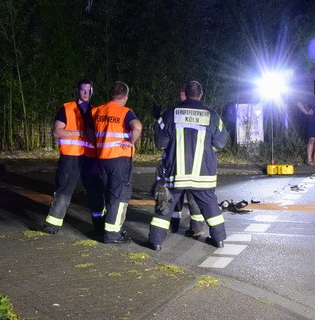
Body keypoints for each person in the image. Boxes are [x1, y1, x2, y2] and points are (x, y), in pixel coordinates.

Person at [147, 80, 228, 251]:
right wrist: (207, 151)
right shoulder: (212, 115)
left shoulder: (170, 113)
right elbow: (220, 143)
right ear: (201, 94)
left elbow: (161, 142)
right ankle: (219, 239)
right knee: (210, 206)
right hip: (203, 173)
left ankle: (156, 242)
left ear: (185, 93)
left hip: (176, 172)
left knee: (165, 205)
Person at [43, 79, 105, 234]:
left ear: (92, 92)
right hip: (71, 157)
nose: (86, 93)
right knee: (64, 189)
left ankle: (100, 226)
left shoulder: (96, 111)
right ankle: (52, 224)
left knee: (96, 191)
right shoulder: (67, 108)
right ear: (77, 91)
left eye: (89, 90)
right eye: (83, 90)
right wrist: (79, 133)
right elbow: (57, 131)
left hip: (90, 158)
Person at [92, 81, 142, 244]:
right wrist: (131, 142)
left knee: (108, 194)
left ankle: (106, 227)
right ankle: (113, 234)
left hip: (102, 159)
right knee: (119, 197)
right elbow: (137, 127)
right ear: (125, 96)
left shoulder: (98, 110)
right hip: (119, 160)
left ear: (111, 94)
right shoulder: (125, 112)